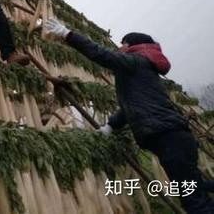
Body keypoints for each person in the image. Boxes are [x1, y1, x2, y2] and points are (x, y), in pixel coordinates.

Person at [44, 18, 214, 213]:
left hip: (169, 137)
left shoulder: (136, 62)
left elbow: (101, 55)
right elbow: (131, 108)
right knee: (194, 187)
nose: (119, 47)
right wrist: (110, 126)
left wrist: (69, 35)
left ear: (133, 46)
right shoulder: (140, 69)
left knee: (194, 201)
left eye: (123, 44)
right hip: (173, 137)